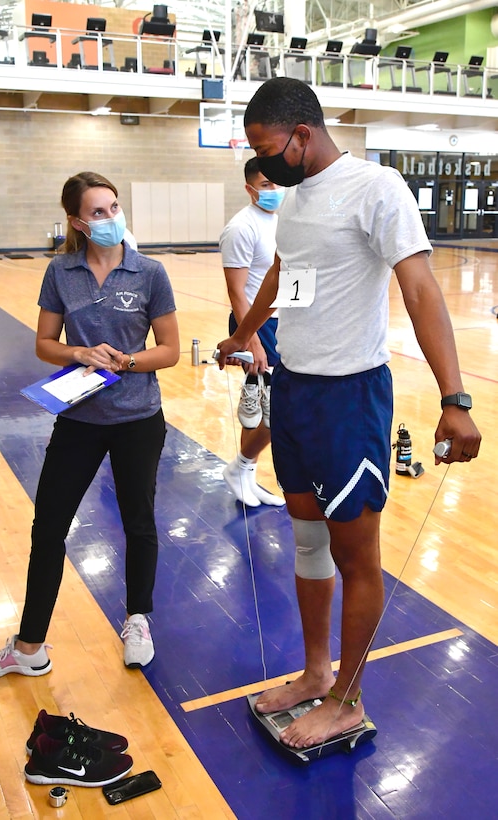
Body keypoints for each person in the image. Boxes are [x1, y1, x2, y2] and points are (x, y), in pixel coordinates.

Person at [217, 77, 481, 750]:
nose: (264, 163)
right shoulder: (298, 198)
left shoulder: (378, 188)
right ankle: (315, 672)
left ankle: (346, 699)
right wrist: (245, 332)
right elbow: (282, 270)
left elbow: (419, 287)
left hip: (349, 399)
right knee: (307, 541)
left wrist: (454, 399)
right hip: (296, 394)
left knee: (355, 554)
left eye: (267, 148)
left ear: (302, 135)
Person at [0, 171, 180, 678]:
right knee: (49, 528)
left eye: (114, 207)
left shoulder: (149, 273)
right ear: (78, 222)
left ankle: (137, 619)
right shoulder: (61, 272)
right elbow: (45, 343)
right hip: (79, 419)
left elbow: (170, 351)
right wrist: (79, 352)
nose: (111, 218)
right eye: (99, 212)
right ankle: (29, 647)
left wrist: (126, 362)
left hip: (138, 420)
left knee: (139, 523)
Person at [220, 157, 285, 507]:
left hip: (285, 324)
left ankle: (245, 473)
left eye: (277, 183)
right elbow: (237, 292)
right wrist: (251, 339)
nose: (274, 190)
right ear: (249, 189)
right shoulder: (241, 228)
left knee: (268, 409)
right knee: (267, 410)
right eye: (265, 185)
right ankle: (241, 468)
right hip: (257, 327)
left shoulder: (283, 221)